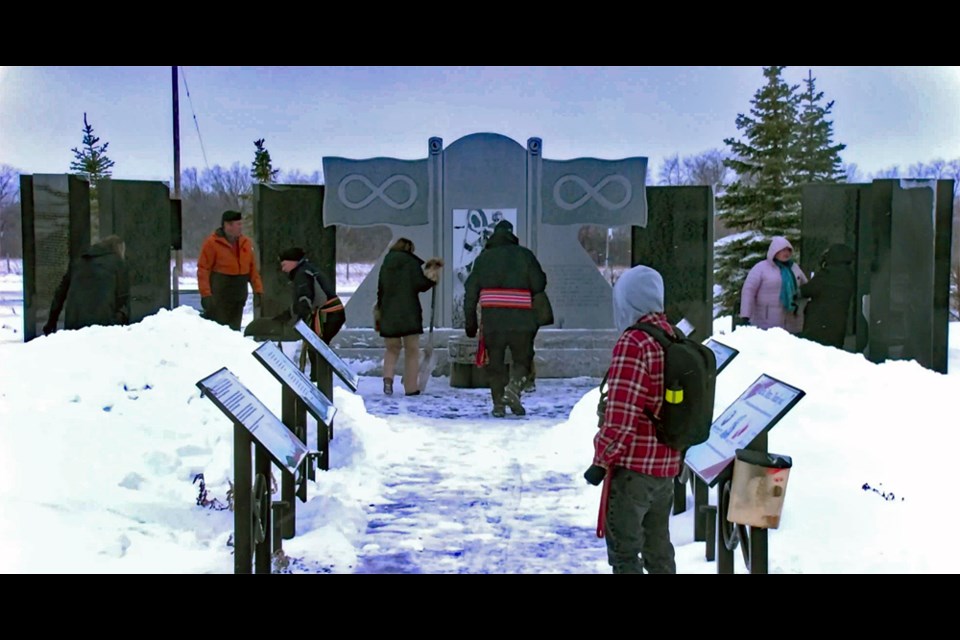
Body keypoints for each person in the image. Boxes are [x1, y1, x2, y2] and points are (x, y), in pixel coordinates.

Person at [584, 264, 679, 574]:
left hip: (634, 469)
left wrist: (601, 460)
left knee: (625, 556)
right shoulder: (672, 337)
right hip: (665, 468)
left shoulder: (634, 343)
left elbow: (621, 416)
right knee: (659, 552)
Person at [463, 219, 546, 418]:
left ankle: (499, 404)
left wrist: (470, 322)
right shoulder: (525, 255)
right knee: (522, 358)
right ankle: (514, 389)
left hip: (493, 319)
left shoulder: (483, 258)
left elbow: (470, 292)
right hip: (522, 317)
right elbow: (539, 283)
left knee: (496, 363)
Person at [377, 238, 442, 396]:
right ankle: (411, 387)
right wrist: (432, 277)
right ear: (409, 249)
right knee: (411, 351)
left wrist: (380, 310)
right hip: (409, 312)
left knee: (392, 349)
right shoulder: (411, 263)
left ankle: (387, 380)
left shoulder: (386, 263)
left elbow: (381, 289)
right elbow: (420, 284)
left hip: (388, 312)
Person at [43, 234, 130, 335]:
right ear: (119, 248)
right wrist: (122, 320)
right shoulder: (118, 263)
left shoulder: (79, 262)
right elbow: (123, 296)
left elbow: (60, 294)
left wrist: (51, 321)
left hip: (74, 323)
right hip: (104, 324)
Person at [197, 210, 264, 331]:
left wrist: (258, 290)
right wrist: (205, 295)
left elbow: (252, 270)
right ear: (227, 225)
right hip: (220, 295)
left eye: (240, 224)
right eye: (237, 224)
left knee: (234, 331)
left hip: (239, 295)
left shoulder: (246, 243)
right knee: (219, 331)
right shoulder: (212, 244)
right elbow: (203, 270)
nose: (240, 227)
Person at [273, 247, 345, 344]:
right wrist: (289, 313)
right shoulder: (306, 270)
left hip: (327, 316)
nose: (283, 269)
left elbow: (305, 300)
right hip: (333, 314)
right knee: (318, 348)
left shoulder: (302, 275)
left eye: (284, 265)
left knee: (317, 349)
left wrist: (300, 323)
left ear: (292, 262)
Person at [739, 235, 808, 334]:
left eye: (788, 250)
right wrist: (745, 316)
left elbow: (805, 287)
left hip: (791, 321)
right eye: (783, 250)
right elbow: (748, 291)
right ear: (774, 251)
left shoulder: (794, 268)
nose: (786, 253)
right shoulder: (761, 268)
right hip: (766, 322)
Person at [799, 243, 856, 349]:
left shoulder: (827, 274)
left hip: (820, 322)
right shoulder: (848, 275)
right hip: (838, 322)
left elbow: (807, 290)